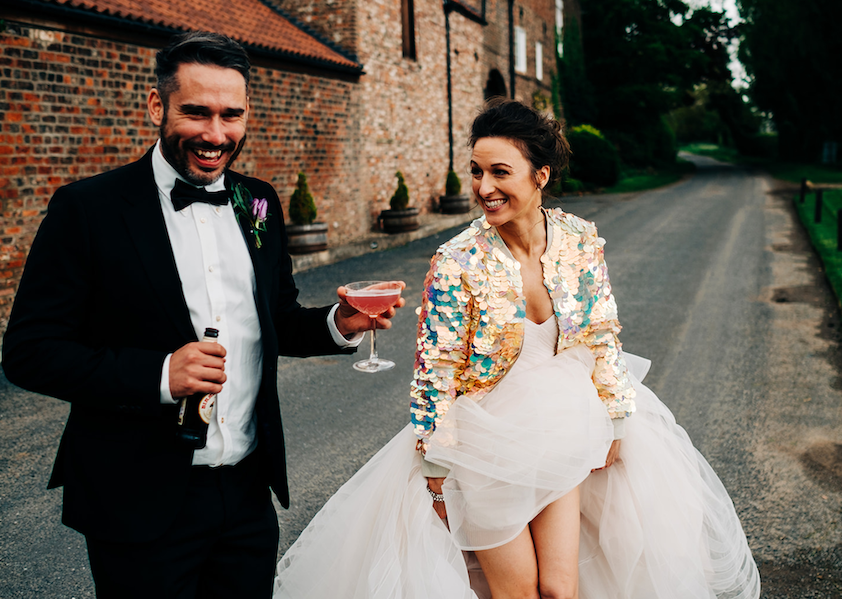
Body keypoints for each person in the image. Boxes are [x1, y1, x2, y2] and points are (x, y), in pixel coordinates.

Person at [272, 99, 760, 598]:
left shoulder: (579, 240)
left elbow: (603, 335)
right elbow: (435, 370)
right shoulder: (457, 259)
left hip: (565, 428)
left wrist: (615, 419)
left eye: (500, 172)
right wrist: (436, 466)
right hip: (482, 445)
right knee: (517, 593)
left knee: (560, 588)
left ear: (540, 174)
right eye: (477, 172)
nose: (484, 188)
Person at [1, 31, 403, 599]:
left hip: (245, 494)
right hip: (136, 498)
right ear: (156, 106)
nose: (216, 135)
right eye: (196, 112)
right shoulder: (86, 209)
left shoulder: (258, 200)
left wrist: (339, 324)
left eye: (231, 116)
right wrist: (159, 375)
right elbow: (28, 352)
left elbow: (277, 318)